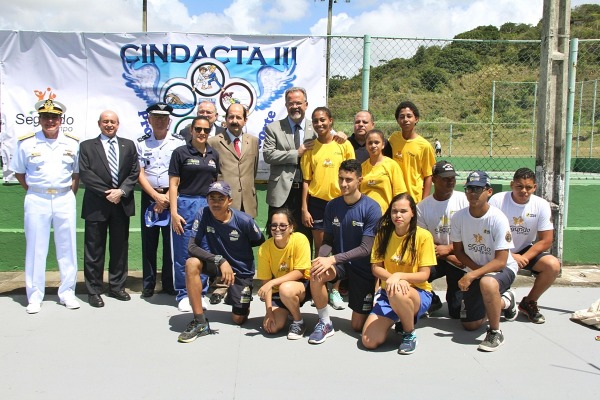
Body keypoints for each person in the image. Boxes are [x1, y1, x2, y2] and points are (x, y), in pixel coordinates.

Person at [10, 99, 80, 314]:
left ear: (61, 120)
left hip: (64, 198)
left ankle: (67, 292)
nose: (50, 121)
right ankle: (35, 295)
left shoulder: (72, 143)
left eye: (54, 117)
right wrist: (35, 190)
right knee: (35, 248)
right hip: (37, 199)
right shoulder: (26, 143)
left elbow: (76, 173)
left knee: (67, 247)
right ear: (39, 119)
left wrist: (68, 194)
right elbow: (20, 173)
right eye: (46, 117)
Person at [177, 181, 265, 343]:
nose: (216, 202)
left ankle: (236, 293)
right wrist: (220, 260)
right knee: (191, 263)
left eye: (221, 198)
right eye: (212, 198)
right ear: (207, 200)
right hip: (217, 265)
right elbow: (191, 246)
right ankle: (200, 321)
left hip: (241, 271)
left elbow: (259, 241)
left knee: (239, 319)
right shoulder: (203, 214)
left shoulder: (244, 220)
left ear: (229, 201)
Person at [308, 160, 381, 344]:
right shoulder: (332, 206)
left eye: (348, 179)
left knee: (357, 326)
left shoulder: (372, 208)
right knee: (317, 273)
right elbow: (328, 241)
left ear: (360, 181)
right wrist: (321, 258)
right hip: (339, 265)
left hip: (362, 268)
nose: (343, 184)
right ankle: (325, 322)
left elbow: (365, 249)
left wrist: (331, 259)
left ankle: (377, 301)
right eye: (340, 179)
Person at [450, 170, 519, 352]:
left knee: (488, 283)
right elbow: (458, 251)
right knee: (470, 325)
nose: (473, 193)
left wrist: (475, 274)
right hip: (477, 269)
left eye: (478, 189)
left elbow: (501, 261)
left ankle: (495, 332)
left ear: (488, 191)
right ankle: (505, 302)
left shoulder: (497, 219)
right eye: (470, 188)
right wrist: (476, 272)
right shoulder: (458, 217)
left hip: (501, 269)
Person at [361, 193, 436, 355]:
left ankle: (409, 333)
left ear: (412, 213)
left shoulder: (423, 236)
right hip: (388, 294)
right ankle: (399, 316)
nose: (398, 215)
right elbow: (376, 268)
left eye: (403, 211)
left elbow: (424, 275)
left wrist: (399, 276)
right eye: (394, 211)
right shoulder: (383, 234)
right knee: (369, 341)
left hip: (417, 293)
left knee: (397, 290)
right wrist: (393, 278)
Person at [79, 110, 140, 308]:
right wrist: (109, 193)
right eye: (105, 122)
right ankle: (94, 290)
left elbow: (134, 172)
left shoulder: (128, 145)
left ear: (118, 124)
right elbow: (86, 175)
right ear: (99, 124)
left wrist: (120, 192)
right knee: (94, 250)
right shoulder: (87, 146)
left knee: (119, 248)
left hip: (121, 204)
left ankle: (117, 287)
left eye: (112, 122)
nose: (109, 125)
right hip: (97, 204)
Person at [489, 167, 560, 324]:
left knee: (553, 265)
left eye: (528, 187)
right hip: (498, 249)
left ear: (535, 187)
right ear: (511, 185)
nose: (524, 191)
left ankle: (529, 302)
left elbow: (546, 240)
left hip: (524, 251)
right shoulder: (497, 200)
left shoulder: (541, 205)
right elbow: (488, 233)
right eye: (519, 186)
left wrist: (524, 257)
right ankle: (503, 299)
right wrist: (510, 256)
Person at [300, 106, 354, 309]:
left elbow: (352, 175)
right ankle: (319, 288)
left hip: (341, 202)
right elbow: (306, 180)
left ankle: (335, 290)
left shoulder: (343, 144)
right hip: (317, 203)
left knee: (340, 246)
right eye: (315, 121)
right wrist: (305, 208)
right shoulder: (309, 148)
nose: (319, 124)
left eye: (323, 120)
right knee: (321, 247)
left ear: (331, 120)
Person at [169, 116, 219, 312]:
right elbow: (173, 184)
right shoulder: (180, 153)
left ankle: (201, 292)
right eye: (198, 129)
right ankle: (183, 294)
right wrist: (173, 212)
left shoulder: (214, 154)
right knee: (183, 252)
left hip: (207, 206)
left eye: (206, 130)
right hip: (185, 204)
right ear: (191, 130)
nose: (202, 133)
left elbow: (215, 183)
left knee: (205, 251)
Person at [136, 102, 185, 297]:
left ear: (169, 120)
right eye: (155, 117)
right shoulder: (141, 143)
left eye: (163, 117)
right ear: (149, 119)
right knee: (149, 242)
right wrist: (156, 196)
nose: (159, 120)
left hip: (172, 195)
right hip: (150, 196)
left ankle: (169, 282)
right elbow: (139, 173)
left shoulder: (179, 143)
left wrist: (166, 197)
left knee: (170, 242)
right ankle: (148, 284)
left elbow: (183, 172)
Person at [263, 87, 316, 244]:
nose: (295, 107)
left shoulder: (316, 128)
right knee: (278, 235)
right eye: (291, 103)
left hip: (307, 193)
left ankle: (303, 268)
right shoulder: (273, 128)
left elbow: (331, 140)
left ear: (306, 104)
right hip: (281, 193)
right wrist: (296, 153)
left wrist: (339, 135)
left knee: (305, 236)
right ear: (286, 106)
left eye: (298, 103)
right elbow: (268, 155)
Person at [416, 160, 468, 318]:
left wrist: (451, 249)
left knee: (455, 313)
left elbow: (471, 235)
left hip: (460, 256)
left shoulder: (464, 200)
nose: (450, 181)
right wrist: (449, 254)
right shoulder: (422, 207)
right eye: (445, 178)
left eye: (453, 177)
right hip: (437, 255)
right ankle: (431, 300)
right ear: (434, 179)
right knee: (414, 272)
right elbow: (424, 241)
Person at [256, 208, 311, 339]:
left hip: (303, 286)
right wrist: (269, 312)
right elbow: (266, 283)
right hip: (279, 291)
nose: (277, 229)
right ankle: (289, 308)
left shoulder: (300, 239)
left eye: (282, 225)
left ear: (291, 227)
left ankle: (299, 322)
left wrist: (273, 282)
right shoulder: (264, 248)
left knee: (285, 289)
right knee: (271, 328)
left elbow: (300, 272)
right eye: (274, 225)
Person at [208, 103, 259, 218]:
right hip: (224, 201)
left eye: (238, 117)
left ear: (245, 120)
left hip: (248, 203)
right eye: (231, 117)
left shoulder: (253, 141)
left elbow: (253, 171)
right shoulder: (213, 142)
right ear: (226, 119)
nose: (234, 121)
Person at [384, 101, 435, 203]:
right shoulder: (394, 138)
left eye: (409, 116)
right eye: (402, 117)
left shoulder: (425, 146)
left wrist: (424, 202)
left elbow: (428, 175)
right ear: (397, 120)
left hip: (414, 198)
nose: (405, 120)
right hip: (394, 195)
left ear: (416, 119)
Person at [360, 129, 406, 215]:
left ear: (383, 145)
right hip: (365, 216)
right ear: (366, 146)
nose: (373, 146)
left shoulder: (392, 165)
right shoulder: (362, 167)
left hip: (385, 215)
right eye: (370, 143)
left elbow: (399, 194)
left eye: (377, 142)